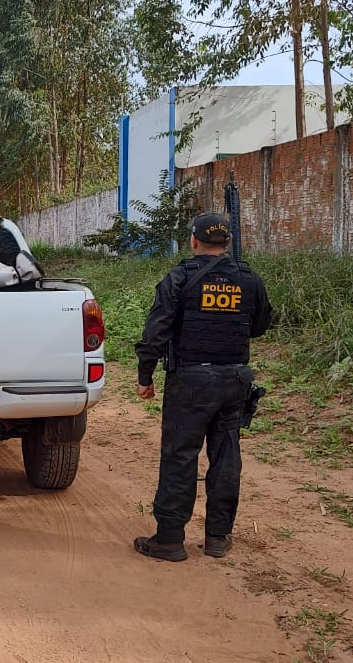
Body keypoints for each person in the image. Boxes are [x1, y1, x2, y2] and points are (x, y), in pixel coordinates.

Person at [133, 212, 273, 562]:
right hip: (234, 381)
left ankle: (169, 540)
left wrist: (145, 376)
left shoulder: (179, 277)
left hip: (190, 382)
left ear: (194, 241)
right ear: (227, 243)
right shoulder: (249, 279)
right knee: (226, 457)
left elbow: (156, 332)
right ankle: (217, 538)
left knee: (180, 456)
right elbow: (259, 325)